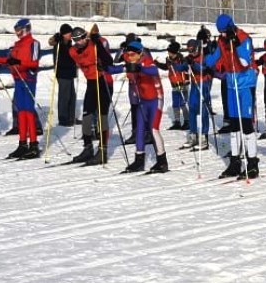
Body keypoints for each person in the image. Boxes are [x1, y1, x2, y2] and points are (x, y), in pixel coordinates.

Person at [205, 14, 260, 179]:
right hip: (231, 85)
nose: (221, 35)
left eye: (223, 32)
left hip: (245, 85)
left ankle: (252, 163)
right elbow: (211, 61)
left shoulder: (244, 38)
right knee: (235, 125)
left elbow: (244, 62)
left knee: (246, 124)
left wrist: (236, 43)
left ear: (230, 27)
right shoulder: (222, 41)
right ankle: (235, 162)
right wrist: (206, 48)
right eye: (219, 32)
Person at [0, 19, 41, 159]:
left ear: (26, 28)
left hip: (28, 79)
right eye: (16, 29)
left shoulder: (34, 43)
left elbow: (34, 63)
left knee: (28, 111)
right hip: (18, 80)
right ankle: (22, 144)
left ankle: (33, 144)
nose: (17, 32)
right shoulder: (17, 45)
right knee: (20, 112)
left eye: (19, 29)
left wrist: (19, 62)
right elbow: (10, 61)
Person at [108, 40, 168, 173]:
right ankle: (139, 160)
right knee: (139, 129)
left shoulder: (147, 61)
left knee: (153, 129)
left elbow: (153, 70)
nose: (130, 57)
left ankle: (162, 162)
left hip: (155, 100)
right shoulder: (130, 63)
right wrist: (102, 66)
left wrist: (139, 68)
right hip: (143, 101)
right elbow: (114, 69)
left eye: (133, 54)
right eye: (128, 54)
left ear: (140, 54)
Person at [68, 26, 112, 165]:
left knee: (102, 116)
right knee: (87, 115)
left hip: (103, 81)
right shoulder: (73, 51)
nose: (78, 42)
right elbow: (77, 57)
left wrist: (97, 41)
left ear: (85, 37)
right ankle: (88, 148)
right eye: (75, 40)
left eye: (81, 39)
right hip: (91, 83)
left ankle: (102, 151)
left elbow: (109, 61)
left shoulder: (94, 45)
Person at [177, 38, 213, 151]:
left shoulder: (205, 57)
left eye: (193, 50)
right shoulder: (190, 58)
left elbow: (202, 69)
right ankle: (193, 135)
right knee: (192, 108)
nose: (191, 53)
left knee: (203, 110)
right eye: (189, 51)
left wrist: (193, 63)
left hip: (203, 84)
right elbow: (182, 67)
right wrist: (174, 65)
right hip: (194, 84)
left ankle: (204, 138)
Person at [48, 23, 78, 127]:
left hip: (70, 72)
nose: (71, 34)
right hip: (63, 73)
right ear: (64, 34)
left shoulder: (69, 43)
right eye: (69, 32)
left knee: (72, 96)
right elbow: (61, 58)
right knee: (64, 96)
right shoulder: (59, 43)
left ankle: (71, 117)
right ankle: (63, 118)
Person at [155, 41, 189, 130]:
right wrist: (157, 64)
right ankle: (177, 122)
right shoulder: (168, 59)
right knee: (175, 104)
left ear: (174, 52)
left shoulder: (181, 59)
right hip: (174, 84)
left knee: (182, 104)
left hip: (182, 84)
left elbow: (186, 70)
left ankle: (187, 121)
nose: (168, 53)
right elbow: (166, 67)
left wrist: (186, 80)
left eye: (170, 51)